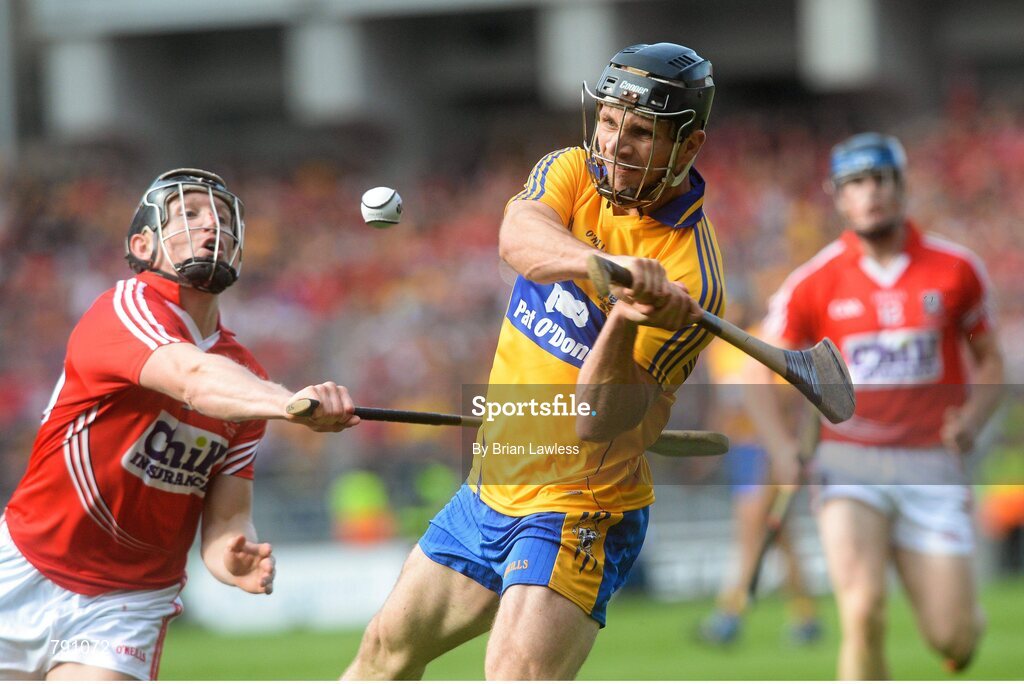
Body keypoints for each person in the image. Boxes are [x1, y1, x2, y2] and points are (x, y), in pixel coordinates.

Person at [342, 42, 725, 680]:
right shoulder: (570, 170)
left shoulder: (695, 279)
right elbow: (517, 237)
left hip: (582, 504)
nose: (614, 145)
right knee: (382, 655)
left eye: (639, 134)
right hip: (490, 488)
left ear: (687, 147)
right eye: (607, 122)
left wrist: (628, 316)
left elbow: (597, 420)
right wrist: (606, 270)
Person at [0, 168, 359, 680]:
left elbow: (226, 515)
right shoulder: (124, 309)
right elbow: (191, 376)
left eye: (220, 217)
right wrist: (287, 404)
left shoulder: (248, 380)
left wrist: (227, 555)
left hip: (126, 603)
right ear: (143, 246)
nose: (211, 225)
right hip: (25, 569)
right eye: (188, 214)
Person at [747, 133, 1004, 678]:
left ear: (902, 187)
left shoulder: (956, 269)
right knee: (861, 609)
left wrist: (974, 420)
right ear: (838, 197)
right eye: (856, 183)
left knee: (952, 637)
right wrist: (782, 447)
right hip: (849, 463)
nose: (871, 193)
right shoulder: (811, 284)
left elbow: (992, 364)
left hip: (931, 465)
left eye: (881, 179)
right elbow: (757, 376)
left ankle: (959, 619)